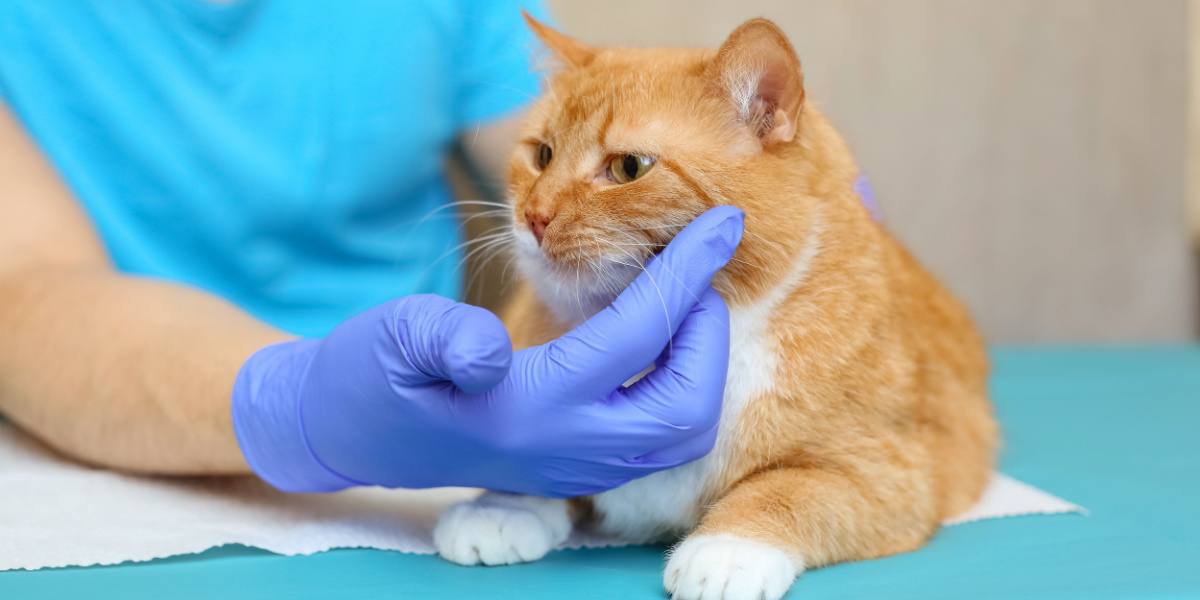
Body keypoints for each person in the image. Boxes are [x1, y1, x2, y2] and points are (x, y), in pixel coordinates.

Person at [0, 2, 741, 497]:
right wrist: (301, 402)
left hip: (444, 466)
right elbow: (21, 288)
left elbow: (576, 142)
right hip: (98, 451)